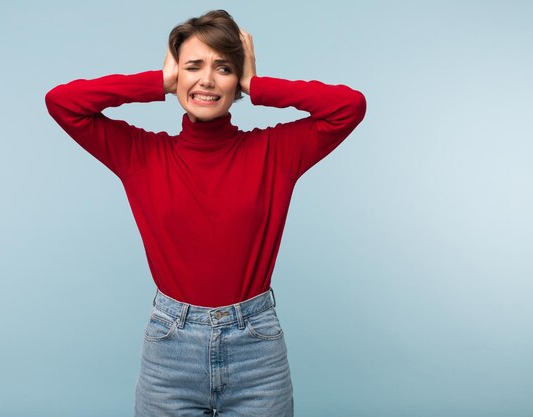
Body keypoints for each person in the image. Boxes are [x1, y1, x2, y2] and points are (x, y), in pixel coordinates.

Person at [45, 9, 366, 417]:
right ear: (175, 73)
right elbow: (62, 103)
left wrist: (257, 83)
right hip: (170, 350)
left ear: (237, 81)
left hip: (257, 351)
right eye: (193, 66)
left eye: (224, 68)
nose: (207, 80)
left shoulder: (274, 153)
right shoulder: (141, 155)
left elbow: (348, 107)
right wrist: (158, 81)